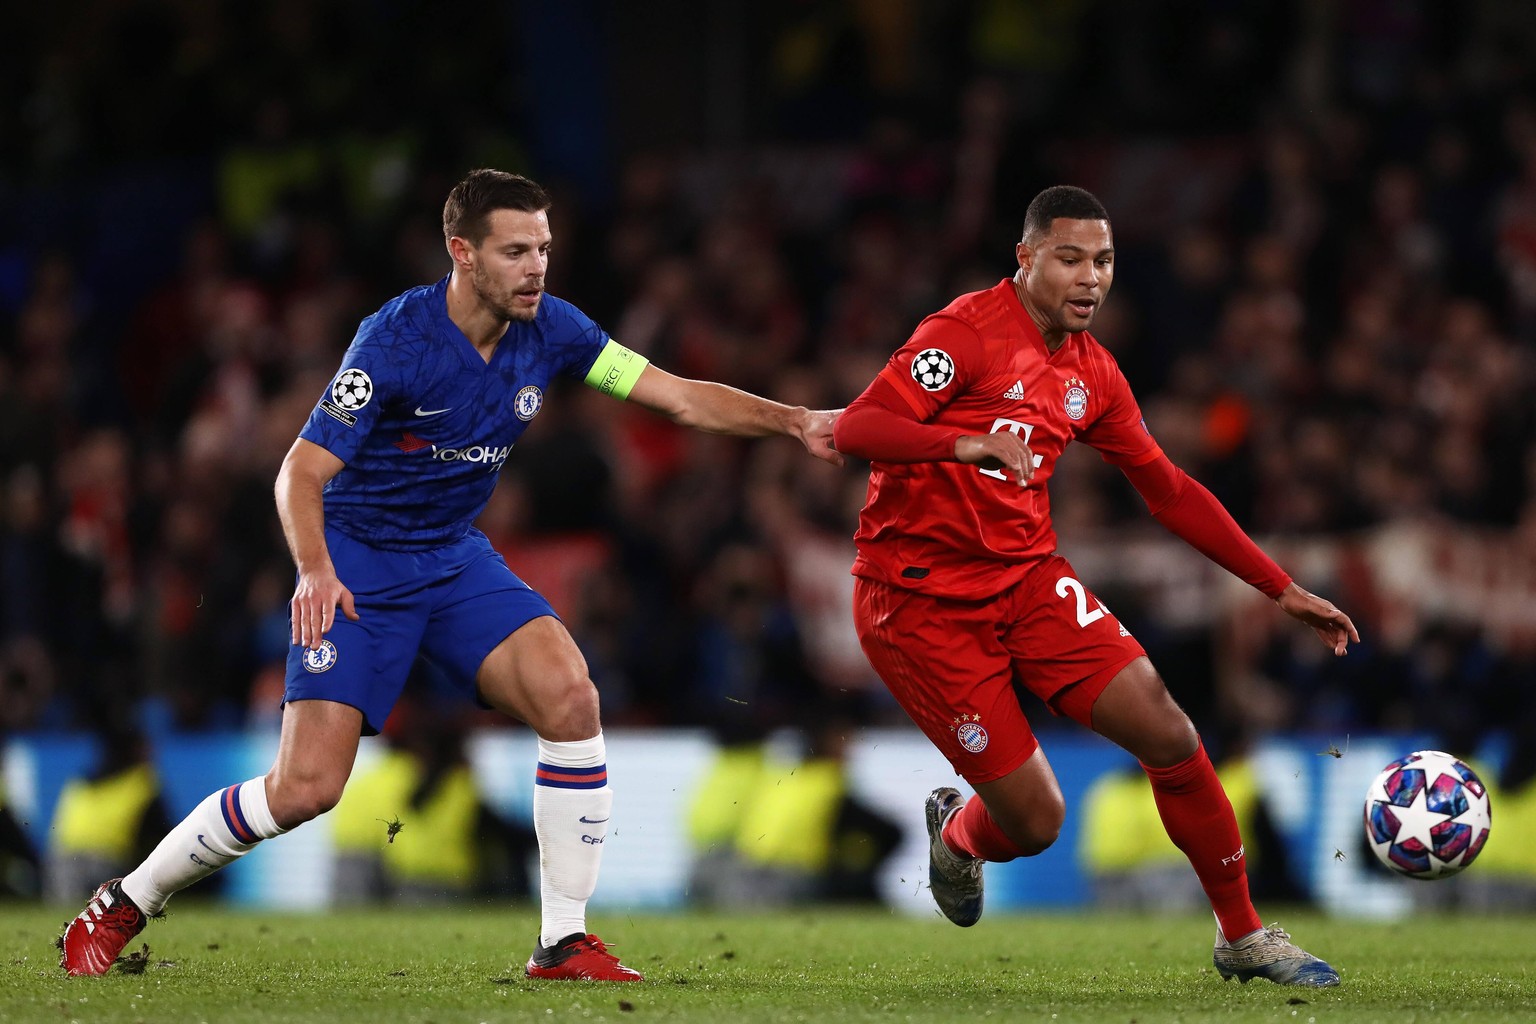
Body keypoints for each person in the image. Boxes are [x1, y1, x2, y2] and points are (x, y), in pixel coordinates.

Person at [60, 168, 842, 982]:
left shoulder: (558, 331)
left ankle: (563, 941)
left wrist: (793, 421)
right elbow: (298, 472)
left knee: (571, 695)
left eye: (543, 248)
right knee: (305, 790)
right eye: (515, 251)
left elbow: (674, 396)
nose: (536, 267)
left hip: (452, 554)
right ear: (462, 253)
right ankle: (122, 903)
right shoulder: (395, 341)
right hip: (359, 564)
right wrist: (314, 571)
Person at [830, 185, 1357, 988]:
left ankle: (1243, 936)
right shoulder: (961, 335)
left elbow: (1169, 490)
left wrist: (1278, 587)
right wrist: (964, 443)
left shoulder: (1092, 373)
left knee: (1169, 731)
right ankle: (960, 840)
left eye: (1103, 261)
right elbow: (857, 426)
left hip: (1029, 579)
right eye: (1070, 258)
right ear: (1027, 256)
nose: (1090, 278)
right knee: (1037, 822)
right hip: (918, 602)